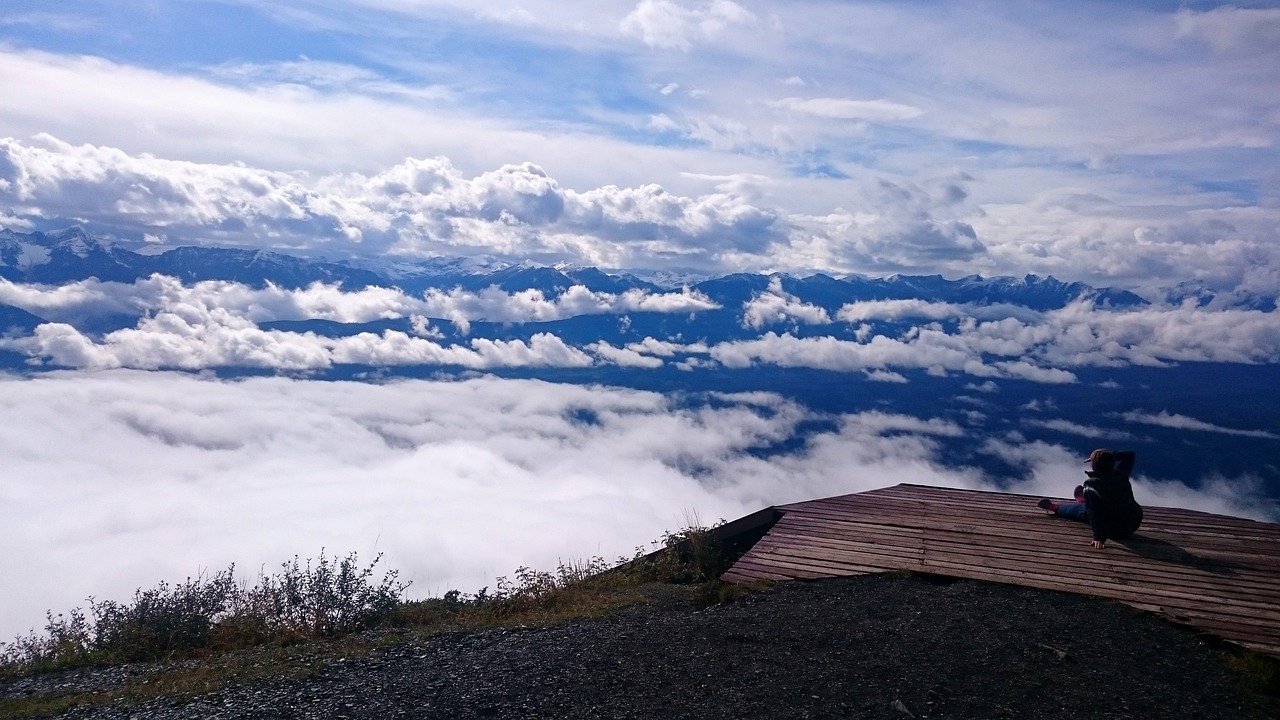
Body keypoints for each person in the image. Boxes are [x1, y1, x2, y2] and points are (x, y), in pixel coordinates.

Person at [1038, 448, 1143, 549]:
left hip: (1112, 530)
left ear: (1093, 465)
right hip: (1133, 522)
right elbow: (1130, 455)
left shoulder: (1092, 484)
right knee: (1098, 505)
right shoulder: (1121, 474)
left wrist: (1099, 538)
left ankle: (1056, 508)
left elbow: (1094, 512)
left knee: (1085, 510)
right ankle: (1085, 500)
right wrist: (1107, 456)